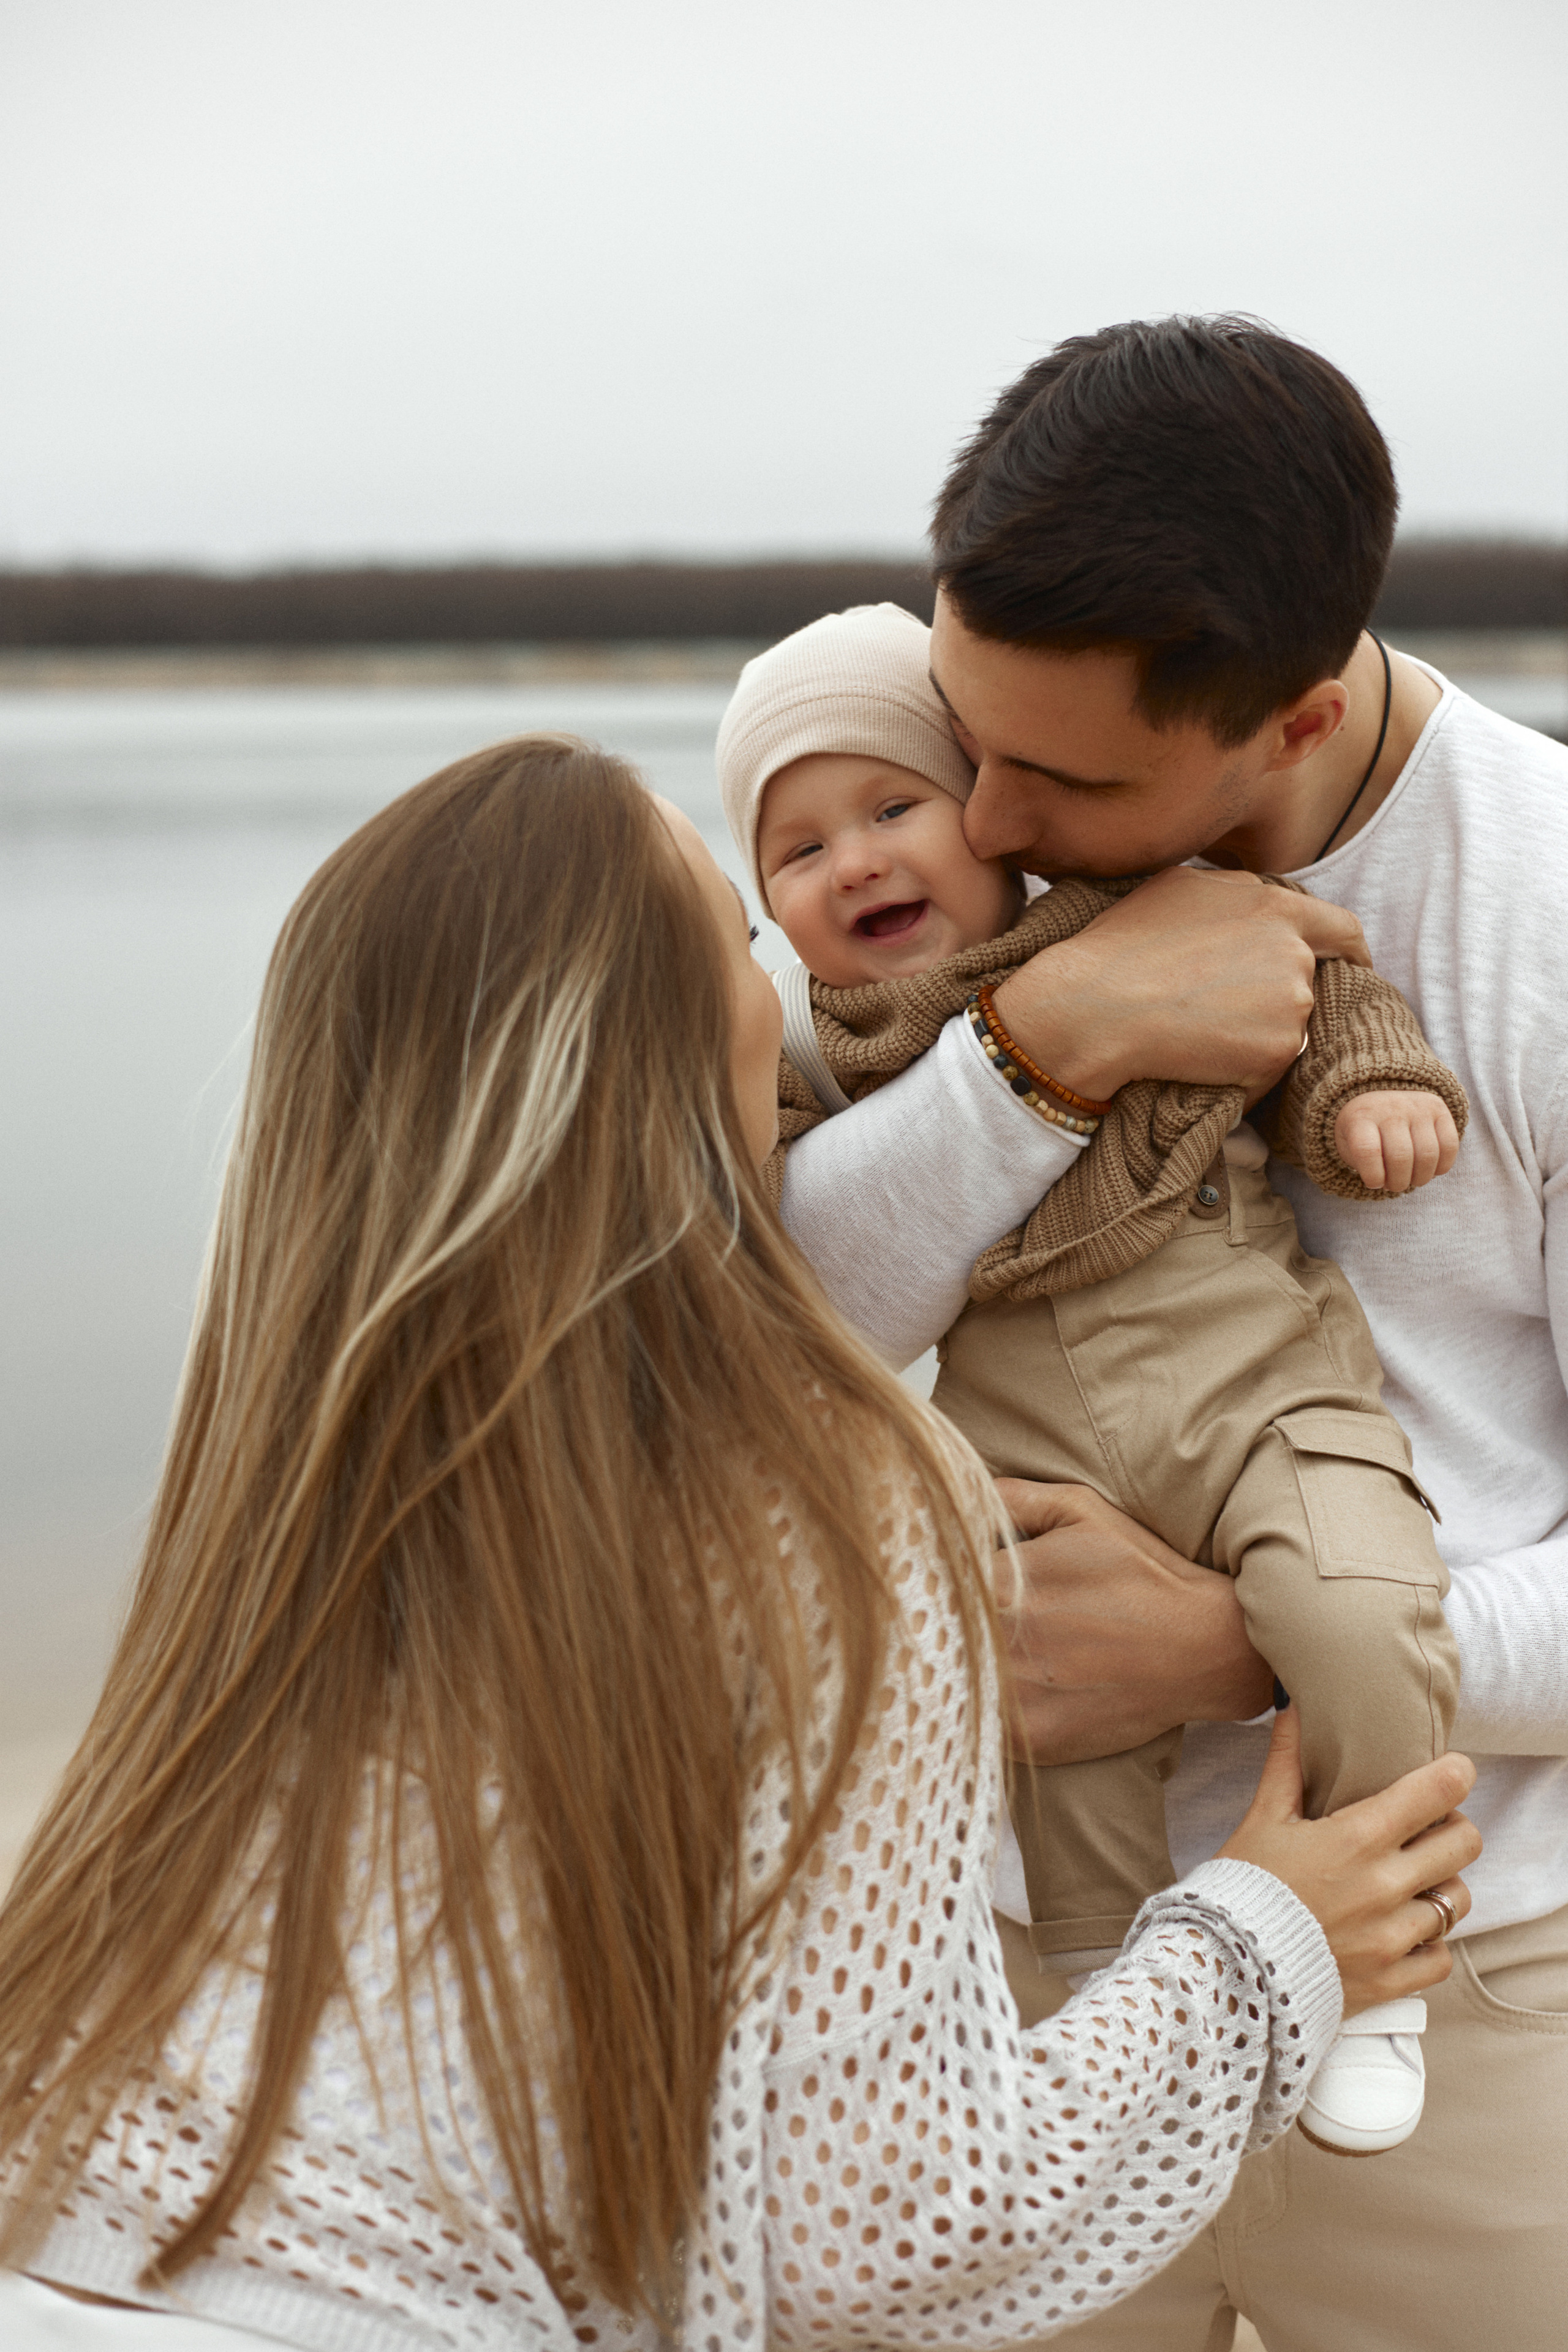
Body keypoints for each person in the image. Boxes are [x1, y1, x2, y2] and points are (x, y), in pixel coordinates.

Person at [0, 736, 1477, 2350]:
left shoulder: (283, 1493)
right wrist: (1269, 1941)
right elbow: (894, 2234)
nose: (782, 979)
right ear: (664, 1051)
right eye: (733, 926)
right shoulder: (825, 1512)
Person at [770, 317, 1568, 2348]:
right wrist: (1033, 1054)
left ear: (1292, 723)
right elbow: (787, 1340)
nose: (990, 816)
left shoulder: (1541, 914)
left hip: (1474, 1996)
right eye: (970, 735)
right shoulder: (959, 894)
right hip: (1014, 1972)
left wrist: (1240, 1641)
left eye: (1063, 776)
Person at [716, 598, 1466, 2158]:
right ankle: (1094, 1997)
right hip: (1031, 1448)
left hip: (1250, 1391)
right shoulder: (813, 1054)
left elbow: (1328, 996)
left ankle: (1384, 1961)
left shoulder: (1169, 916)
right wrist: (1025, 1051)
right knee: (1054, 1750)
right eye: (795, 852)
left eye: (896, 805)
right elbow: (778, 1297)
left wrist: (1368, 1087)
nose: (855, 859)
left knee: (1345, 1604)